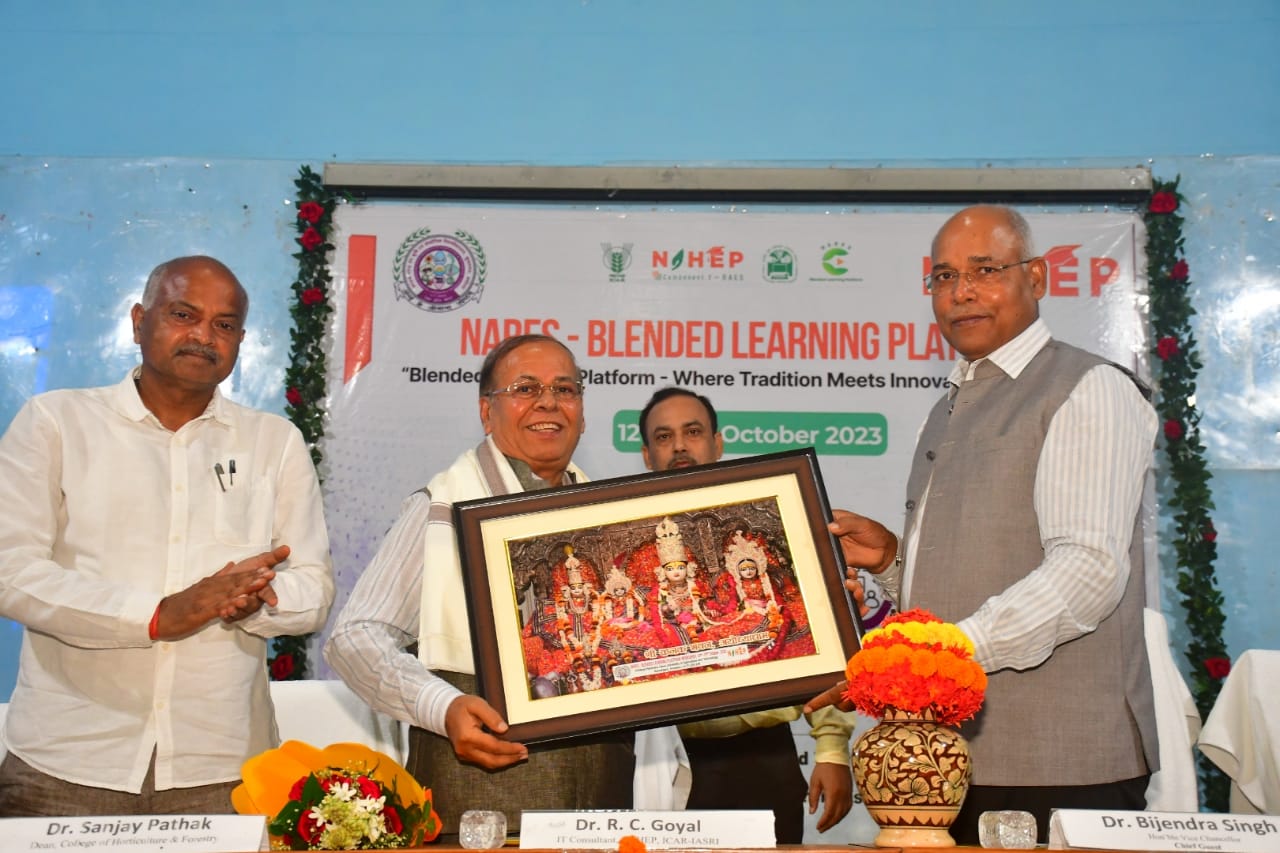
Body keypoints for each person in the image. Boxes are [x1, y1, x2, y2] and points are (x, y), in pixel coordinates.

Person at [807, 205, 1160, 844]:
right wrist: (892, 561)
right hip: (943, 766)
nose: (961, 292)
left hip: (1061, 760)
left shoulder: (1089, 388)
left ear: (1037, 277)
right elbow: (976, 565)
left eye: (985, 270)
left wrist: (943, 654)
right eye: (944, 276)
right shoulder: (946, 407)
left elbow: (1088, 570)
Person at [0, 255, 335, 816]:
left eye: (224, 324)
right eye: (184, 314)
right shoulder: (56, 422)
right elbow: (12, 571)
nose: (204, 335)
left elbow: (313, 590)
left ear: (240, 340)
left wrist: (254, 600)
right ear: (139, 321)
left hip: (224, 767)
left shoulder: (273, 442)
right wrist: (155, 615)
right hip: (67, 761)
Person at [323, 334, 635, 837]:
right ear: (487, 412)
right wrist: (441, 706)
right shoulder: (442, 509)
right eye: (525, 388)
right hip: (480, 803)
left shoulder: (612, 515)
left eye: (565, 389)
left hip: (600, 803)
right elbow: (354, 637)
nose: (549, 402)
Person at [637, 386, 855, 842]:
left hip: (763, 758)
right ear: (646, 454)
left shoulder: (768, 525)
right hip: (666, 759)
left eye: (693, 432)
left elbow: (810, 634)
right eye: (664, 436)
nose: (679, 446)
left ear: (717, 443)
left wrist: (832, 749)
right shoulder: (632, 541)